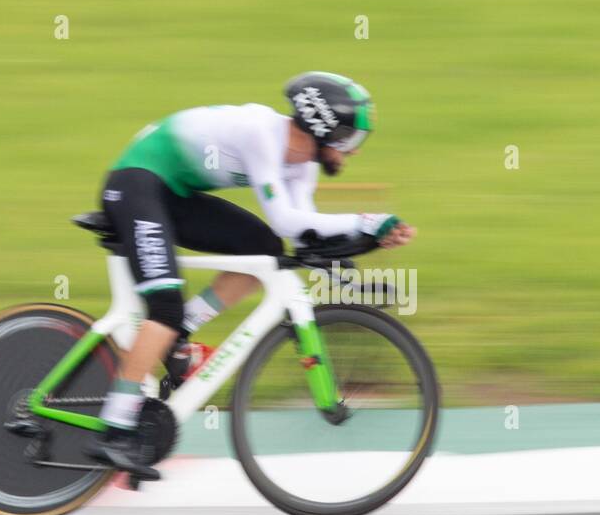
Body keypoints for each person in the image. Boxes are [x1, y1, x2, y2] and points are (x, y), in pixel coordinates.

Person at [89, 71, 415, 477]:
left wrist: (366, 238)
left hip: (171, 192)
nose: (354, 152)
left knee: (264, 252)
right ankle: (115, 429)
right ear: (323, 129)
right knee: (163, 308)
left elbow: (300, 229)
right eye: (350, 140)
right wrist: (367, 221)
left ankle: (184, 330)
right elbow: (285, 217)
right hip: (137, 183)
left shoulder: (303, 166)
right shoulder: (261, 133)